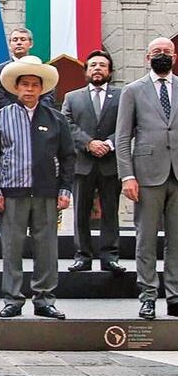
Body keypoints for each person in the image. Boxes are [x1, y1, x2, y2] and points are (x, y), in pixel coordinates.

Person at [0, 56, 74, 320]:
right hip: (11, 194)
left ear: (41, 88)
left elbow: (68, 156)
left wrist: (65, 190)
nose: (30, 89)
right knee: (12, 248)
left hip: (47, 194)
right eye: (25, 84)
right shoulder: (2, 117)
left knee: (47, 248)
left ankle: (44, 299)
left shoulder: (56, 119)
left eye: (35, 85)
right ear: (17, 88)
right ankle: (12, 299)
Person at [116, 37, 178, 320]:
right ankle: (148, 296)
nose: (162, 55)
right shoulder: (132, 90)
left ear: (174, 57)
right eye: (157, 52)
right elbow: (122, 137)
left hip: (177, 174)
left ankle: (175, 296)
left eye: (167, 52)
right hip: (146, 175)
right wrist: (127, 175)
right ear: (147, 57)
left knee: (176, 241)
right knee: (146, 238)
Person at [63, 50, 125, 275]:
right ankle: (82, 256)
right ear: (86, 71)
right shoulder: (73, 97)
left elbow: (127, 125)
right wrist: (89, 143)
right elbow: (67, 124)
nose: (97, 68)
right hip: (82, 162)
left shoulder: (122, 96)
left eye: (102, 65)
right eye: (93, 65)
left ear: (109, 71)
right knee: (81, 212)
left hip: (110, 163)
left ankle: (110, 257)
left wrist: (108, 143)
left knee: (110, 211)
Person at [0, 27, 57, 111]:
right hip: (9, 118)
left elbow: (49, 96)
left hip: (39, 117)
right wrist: (18, 113)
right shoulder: (0, 70)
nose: (19, 43)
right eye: (15, 40)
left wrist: (34, 112)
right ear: (10, 44)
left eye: (23, 39)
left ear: (31, 44)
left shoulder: (42, 69)